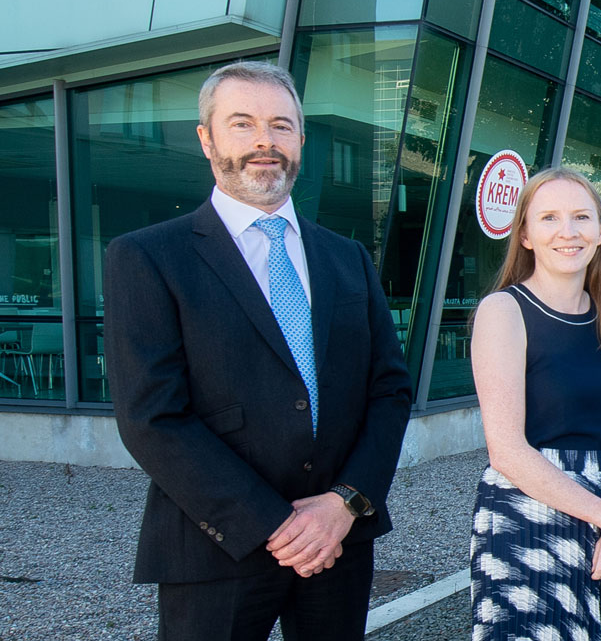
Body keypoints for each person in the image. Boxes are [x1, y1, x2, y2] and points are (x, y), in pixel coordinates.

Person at [106, 61, 413, 640]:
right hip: (217, 543)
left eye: (280, 125)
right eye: (242, 124)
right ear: (207, 139)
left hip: (339, 540)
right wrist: (277, 525)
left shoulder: (347, 257)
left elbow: (390, 391)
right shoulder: (148, 257)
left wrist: (344, 503)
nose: (264, 141)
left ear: (301, 139)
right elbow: (152, 416)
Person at [467, 167, 601, 640]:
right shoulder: (504, 311)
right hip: (529, 518)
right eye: (549, 218)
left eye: (581, 217)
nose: (567, 231)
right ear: (525, 236)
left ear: (600, 232)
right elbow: (506, 450)